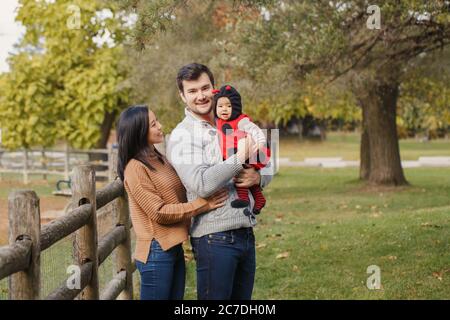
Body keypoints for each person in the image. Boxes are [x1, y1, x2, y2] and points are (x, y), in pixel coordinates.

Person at [166, 63, 273, 300]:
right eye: (192, 91)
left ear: (214, 89)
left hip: (245, 232)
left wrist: (259, 177)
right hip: (214, 238)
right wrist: (240, 158)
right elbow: (201, 184)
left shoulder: (233, 120)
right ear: (182, 96)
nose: (201, 95)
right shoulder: (183, 135)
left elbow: (268, 158)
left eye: (205, 88)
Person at [117, 105, 229, 300]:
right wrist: (203, 204)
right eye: (153, 124)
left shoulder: (159, 158)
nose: (160, 126)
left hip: (173, 246)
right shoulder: (135, 168)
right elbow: (159, 212)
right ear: (139, 131)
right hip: (155, 251)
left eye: (157, 120)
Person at [213, 84, 271, 215]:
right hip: (234, 152)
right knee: (242, 172)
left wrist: (261, 142)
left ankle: (243, 198)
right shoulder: (218, 121)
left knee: (240, 173)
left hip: (249, 152)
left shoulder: (241, 121)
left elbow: (255, 131)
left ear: (235, 107)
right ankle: (259, 199)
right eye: (220, 106)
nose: (224, 109)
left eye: (229, 106)